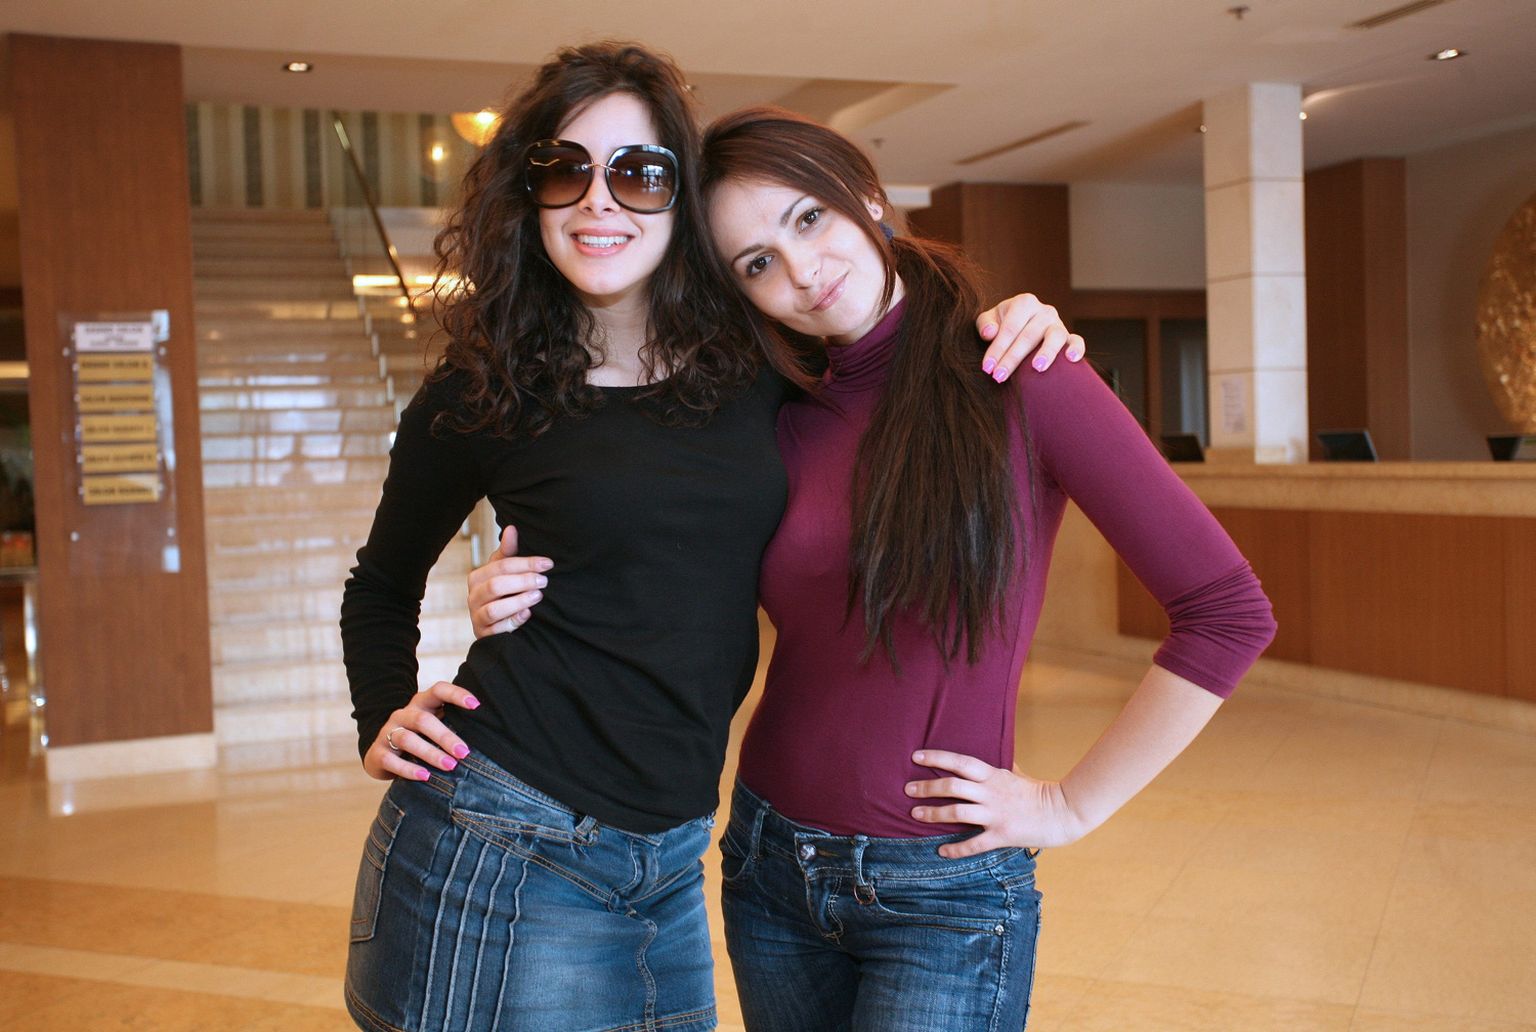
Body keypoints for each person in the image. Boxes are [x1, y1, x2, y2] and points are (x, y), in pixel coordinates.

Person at [469, 106, 1277, 1031]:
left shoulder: (1019, 371)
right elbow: (656, 561)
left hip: (942, 891)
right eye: (756, 263)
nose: (801, 271)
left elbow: (1227, 611)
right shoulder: (774, 409)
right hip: (769, 863)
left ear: (866, 194)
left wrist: (1070, 805)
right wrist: (510, 592)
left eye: (808, 218)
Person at [339, 42, 1076, 1032]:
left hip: (672, 856)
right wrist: (381, 714)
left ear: (681, 195)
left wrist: (1012, 319)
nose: (599, 202)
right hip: (503, 835)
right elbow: (380, 585)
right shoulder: (484, 389)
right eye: (565, 170)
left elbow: (880, 334)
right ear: (528, 194)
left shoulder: (759, 358)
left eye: (638, 173)